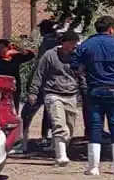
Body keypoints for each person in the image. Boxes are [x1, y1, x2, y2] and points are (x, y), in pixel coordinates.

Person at [74, 16, 114, 176]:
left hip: (94, 89)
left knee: (95, 126)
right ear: (111, 29)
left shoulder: (87, 45)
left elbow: (74, 65)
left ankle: (93, 167)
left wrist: (85, 73)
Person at [27, 30, 84, 166]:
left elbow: (81, 75)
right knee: (59, 124)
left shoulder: (77, 57)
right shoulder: (50, 56)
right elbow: (39, 74)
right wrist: (33, 92)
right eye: (72, 43)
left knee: (69, 127)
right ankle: (61, 156)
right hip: (53, 94)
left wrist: (84, 92)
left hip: (71, 94)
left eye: (76, 43)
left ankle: (58, 146)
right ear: (64, 43)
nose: (74, 46)